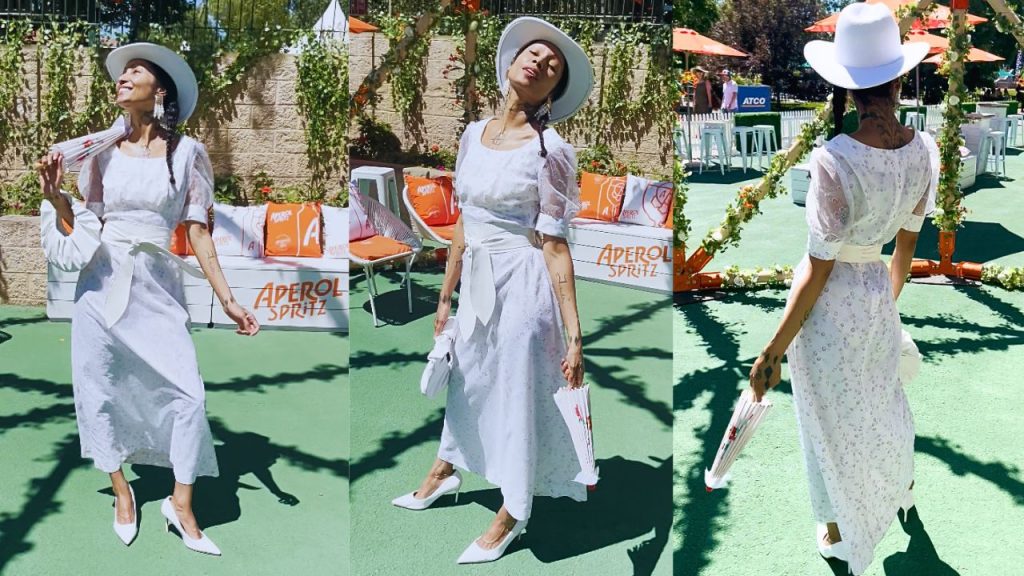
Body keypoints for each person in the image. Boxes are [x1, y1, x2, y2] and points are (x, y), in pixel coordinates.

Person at [37, 43, 260, 555]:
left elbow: (199, 232)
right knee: (100, 388)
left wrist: (227, 299)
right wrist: (54, 196)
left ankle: (180, 503)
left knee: (189, 394)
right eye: (121, 72)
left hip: (158, 283)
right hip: (102, 282)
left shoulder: (187, 153)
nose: (123, 77)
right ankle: (122, 492)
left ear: (159, 90)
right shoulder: (99, 152)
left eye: (134, 71)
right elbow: (82, 223)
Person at [389, 16, 593, 564]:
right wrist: (443, 296)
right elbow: (464, 221)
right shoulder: (471, 134)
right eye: (533, 53)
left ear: (554, 90)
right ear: (510, 61)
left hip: (523, 286)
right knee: (469, 379)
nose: (539, 63)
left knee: (516, 392)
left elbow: (554, 244)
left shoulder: (552, 151)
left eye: (552, 67)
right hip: (475, 279)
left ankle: (513, 510)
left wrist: (576, 337)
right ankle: (446, 467)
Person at [747, 5, 935, 575]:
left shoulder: (834, 159)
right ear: (899, 78)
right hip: (878, 295)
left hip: (830, 313)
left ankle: (835, 528)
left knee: (826, 420)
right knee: (882, 403)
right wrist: (884, 305)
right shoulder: (922, 150)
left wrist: (772, 349)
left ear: (844, 85)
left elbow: (818, 268)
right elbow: (904, 248)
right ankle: (897, 482)